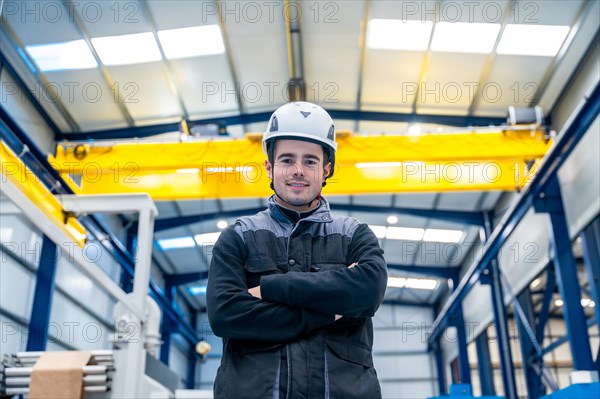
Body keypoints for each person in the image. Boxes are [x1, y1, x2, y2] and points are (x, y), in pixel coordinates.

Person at [206, 101, 388, 399]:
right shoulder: (238, 236)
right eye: (287, 160)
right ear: (269, 166)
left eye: (310, 161)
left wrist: (269, 288)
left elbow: (368, 291)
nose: (298, 171)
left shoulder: (354, 234)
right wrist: (327, 313)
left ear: (326, 169)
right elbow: (225, 314)